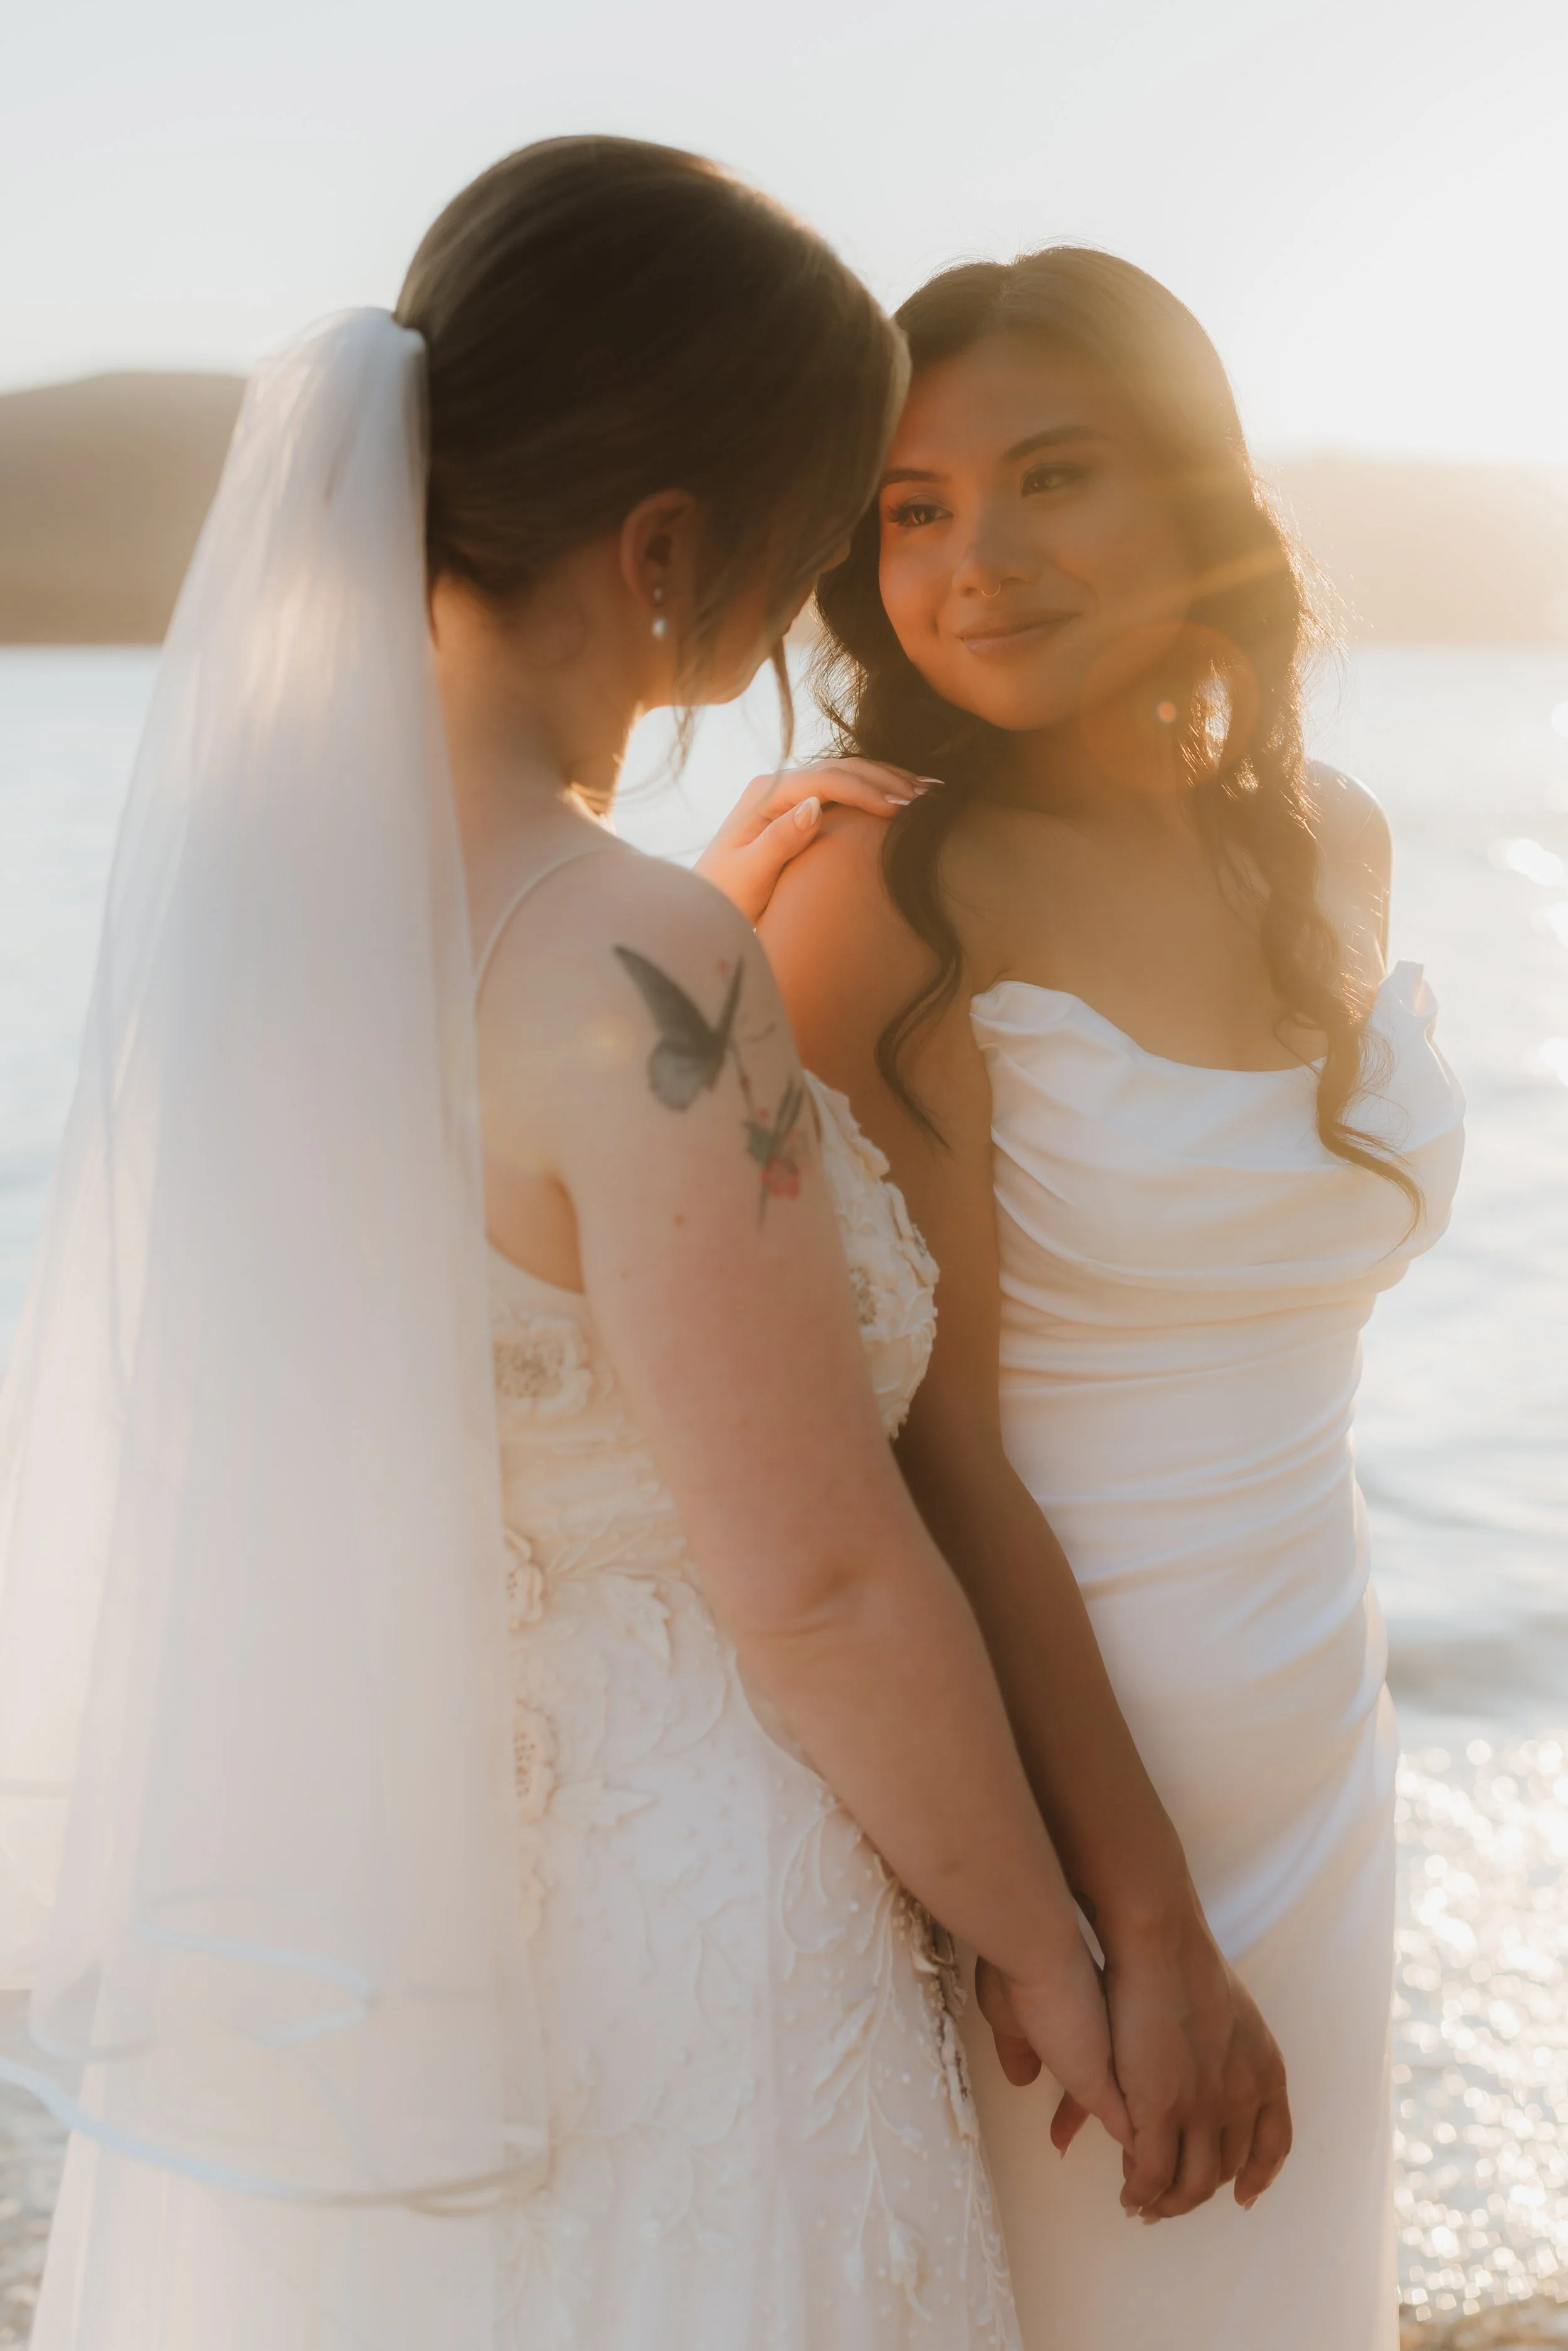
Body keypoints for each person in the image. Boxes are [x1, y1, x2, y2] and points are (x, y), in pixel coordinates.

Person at [0, 144, 1153, 2351]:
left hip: (376, 1931)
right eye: (816, 536)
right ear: (662, 548)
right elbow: (814, 1581)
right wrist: (1043, 1948)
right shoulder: (639, 954)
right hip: (672, 1947)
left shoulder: (255, 903)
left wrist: (663, 900)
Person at [750, 248, 1465, 2349]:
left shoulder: (1329, 846)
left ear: (1194, 497)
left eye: (1050, 476)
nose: (979, 561)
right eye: (912, 507)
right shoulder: (877, 896)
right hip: (1048, 1784)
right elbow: (925, 1441)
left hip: (1311, 1718)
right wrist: (1128, 1917)